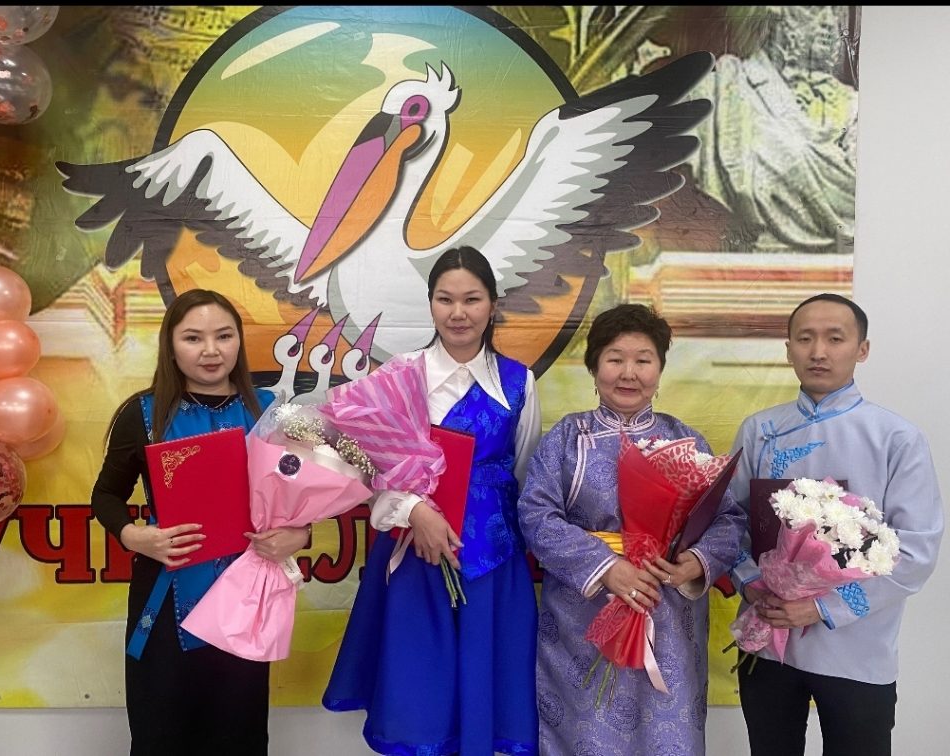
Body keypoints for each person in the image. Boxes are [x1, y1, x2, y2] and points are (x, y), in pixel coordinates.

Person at [322, 246, 542, 755]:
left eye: (472, 299)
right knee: (421, 700)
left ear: (492, 304)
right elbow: (368, 465)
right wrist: (413, 510)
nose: (458, 312)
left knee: (484, 695)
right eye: (445, 299)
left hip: (491, 564)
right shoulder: (402, 375)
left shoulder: (519, 382)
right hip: (415, 557)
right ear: (430, 303)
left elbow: (524, 474)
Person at [517, 302, 745, 756]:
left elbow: (729, 519)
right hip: (585, 617)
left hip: (667, 613)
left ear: (659, 369)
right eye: (615, 358)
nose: (629, 373)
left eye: (643, 360)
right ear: (594, 366)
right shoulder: (567, 438)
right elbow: (535, 514)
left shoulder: (686, 441)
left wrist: (693, 563)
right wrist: (607, 567)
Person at [91, 288, 309, 754]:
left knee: (238, 734)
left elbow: (300, 501)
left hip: (247, 599)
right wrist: (135, 536)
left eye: (223, 336)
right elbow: (105, 496)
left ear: (239, 342)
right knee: (161, 735)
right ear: (171, 346)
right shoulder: (144, 413)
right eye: (193, 338)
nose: (211, 350)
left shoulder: (270, 412)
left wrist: (299, 534)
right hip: (164, 598)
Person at [728, 293, 944, 755]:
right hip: (768, 637)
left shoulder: (896, 438)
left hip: (856, 648)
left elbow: (915, 551)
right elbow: (731, 524)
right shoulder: (760, 430)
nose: (818, 352)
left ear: (862, 349)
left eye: (835, 339)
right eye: (805, 338)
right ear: (789, 349)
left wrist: (823, 608)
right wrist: (752, 585)